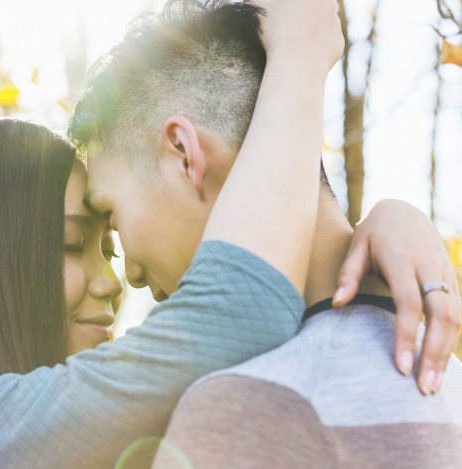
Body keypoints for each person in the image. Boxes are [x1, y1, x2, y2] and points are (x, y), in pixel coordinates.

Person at [0, 1, 459, 468]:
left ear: (184, 152)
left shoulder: (194, 419)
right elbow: (233, 312)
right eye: (74, 242)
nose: (120, 280)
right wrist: (302, 54)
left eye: (111, 237)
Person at [71, 1, 462, 466]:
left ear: (183, 153)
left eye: (113, 217)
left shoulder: (242, 408)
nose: (129, 274)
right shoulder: (444, 374)